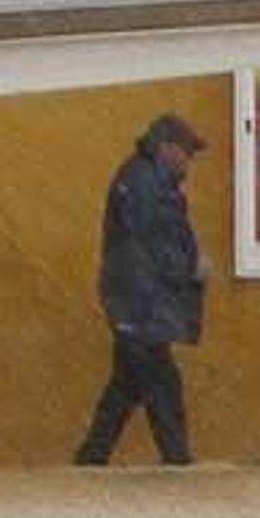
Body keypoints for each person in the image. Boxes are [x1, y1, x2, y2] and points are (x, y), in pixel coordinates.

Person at [74, 112, 208, 467]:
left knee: (127, 387)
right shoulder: (143, 182)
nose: (189, 160)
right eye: (186, 152)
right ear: (166, 148)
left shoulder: (149, 180)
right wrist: (187, 270)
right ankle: (178, 463)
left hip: (140, 304)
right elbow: (146, 245)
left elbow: (152, 243)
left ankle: (90, 462)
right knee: (163, 387)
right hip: (139, 305)